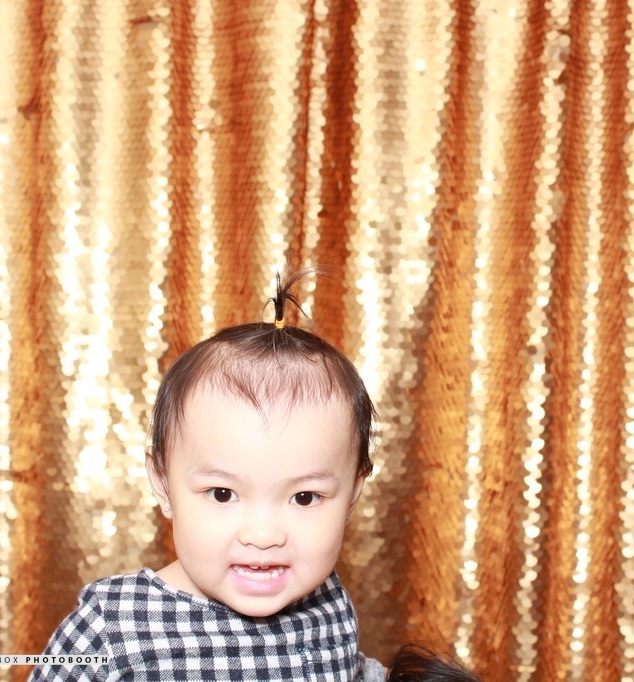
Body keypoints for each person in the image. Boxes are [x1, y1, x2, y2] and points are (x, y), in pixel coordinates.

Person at [31, 271, 387, 680]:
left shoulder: (325, 600)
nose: (263, 535)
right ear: (163, 483)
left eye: (305, 498)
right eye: (222, 494)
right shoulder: (113, 630)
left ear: (353, 493)